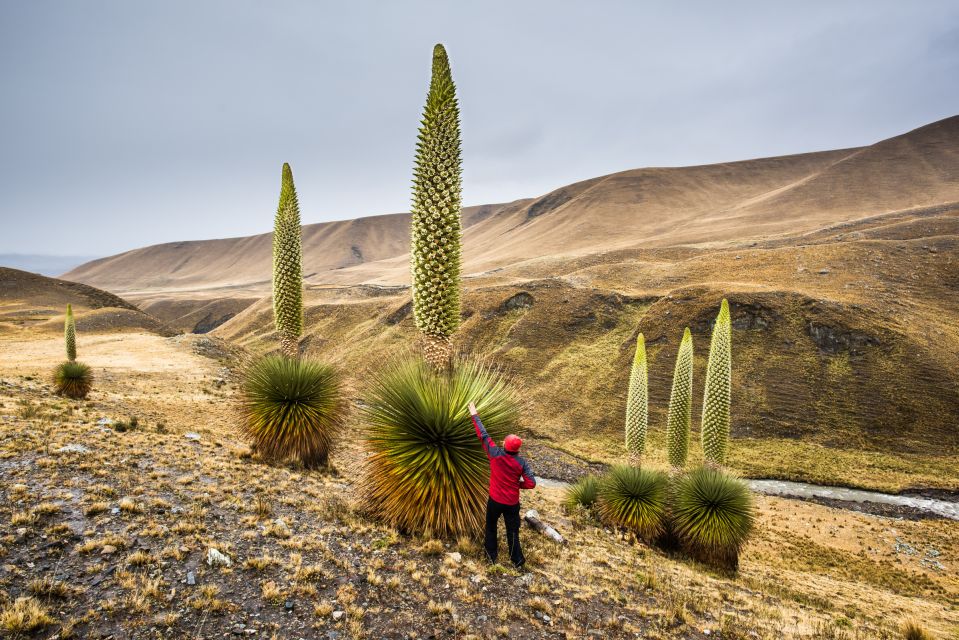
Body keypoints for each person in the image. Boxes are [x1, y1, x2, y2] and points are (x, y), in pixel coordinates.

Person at [468, 401, 536, 569]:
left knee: (491, 526)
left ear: (505, 445)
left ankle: (491, 557)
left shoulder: (495, 454)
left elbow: (483, 435)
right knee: (512, 531)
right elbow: (531, 483)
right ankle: (517, 560)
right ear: (518, 449)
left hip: (495, 501)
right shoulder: (521, 463)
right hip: (512, 503)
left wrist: (474, 414)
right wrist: (517, 485)